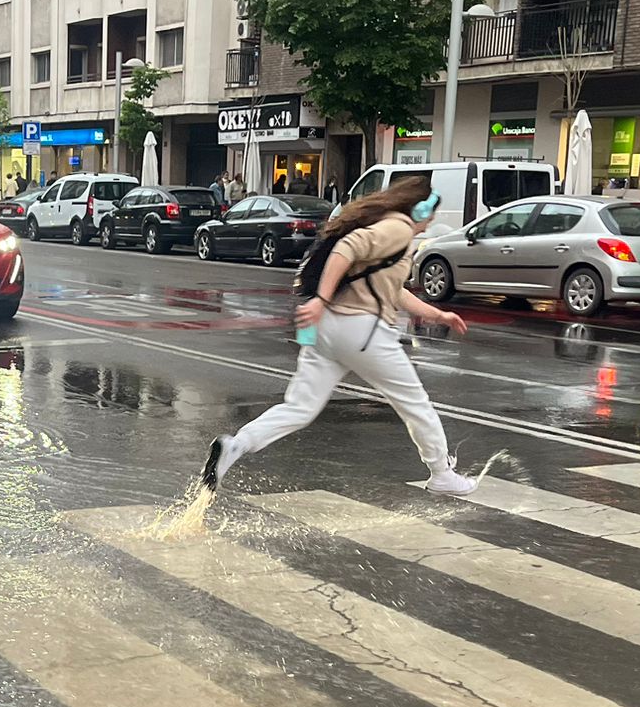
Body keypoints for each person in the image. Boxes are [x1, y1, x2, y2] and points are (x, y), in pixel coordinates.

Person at [202, 175, 477, 497]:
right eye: (430, 215)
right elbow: (346, 250)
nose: (429, 224)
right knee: (415, 403)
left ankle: (235, 446)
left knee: (300, 407)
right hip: (359, 330)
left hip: (325, 328)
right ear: (419, 210)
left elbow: (392, 290)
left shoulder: (389, 228)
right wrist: (321, 297)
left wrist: (437, 314)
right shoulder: (398, 228)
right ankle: (442, 474)